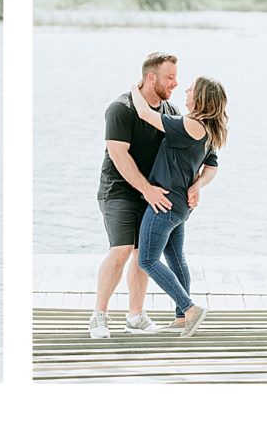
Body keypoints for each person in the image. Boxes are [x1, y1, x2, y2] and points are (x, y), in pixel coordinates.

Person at [89, 52, 181, 339]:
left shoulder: (172, 112)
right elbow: (118, 154)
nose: (175, 83)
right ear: (150, 77)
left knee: (144, 255)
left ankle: (135, 316)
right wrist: (147, 190)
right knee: (121, 251)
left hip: (150, 194)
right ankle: (98, 316)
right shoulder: (120, 108)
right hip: (118, 190)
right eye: (170, 77)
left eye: (176, 77)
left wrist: (193, 188)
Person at [131, 76, 226, 337]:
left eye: (191, 89)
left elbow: (142, 112)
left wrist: (137, 86)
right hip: (181, 205)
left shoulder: (191, 124)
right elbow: (212, 166)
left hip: (165, 202)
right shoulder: (210, 129)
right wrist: (197, 186)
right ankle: (183, 317)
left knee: (147, 259)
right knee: (175, 258)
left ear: (201, 97)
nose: (185, 90)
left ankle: (190, 308)